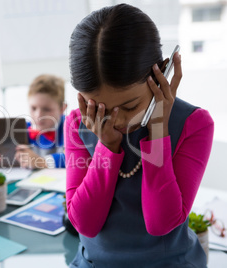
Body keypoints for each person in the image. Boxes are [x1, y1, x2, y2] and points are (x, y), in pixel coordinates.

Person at [65, 4, 213, 267]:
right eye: (101, 108)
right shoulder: (78, 123)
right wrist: (107, 146)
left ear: (160, 77)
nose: (118, 121)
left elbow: (161, 223)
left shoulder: (195, 124)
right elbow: (84, 224)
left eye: (131, 106)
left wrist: (158, 131)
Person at [0, 74, 67, 169]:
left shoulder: (71, 127)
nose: (38, 115)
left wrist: (42, 162)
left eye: (46, 109)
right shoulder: (23, 128)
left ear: (62, 108)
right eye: (33, 108)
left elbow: (76, 157)